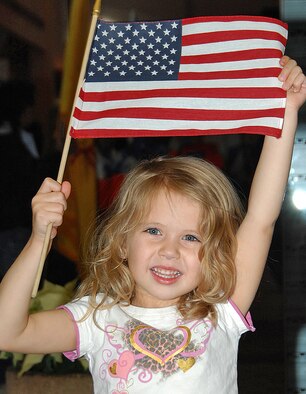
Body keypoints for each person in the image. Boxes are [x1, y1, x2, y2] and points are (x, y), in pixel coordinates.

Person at [0, 56, 305, 394]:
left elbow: (261, 218)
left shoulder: (221, 310)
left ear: (213, 251)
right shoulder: (96, 320)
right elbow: (8, 331)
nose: (169, 250)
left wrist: (285, 111)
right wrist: (38, 238)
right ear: (121, 240)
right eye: (153, 230)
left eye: (190, 237)